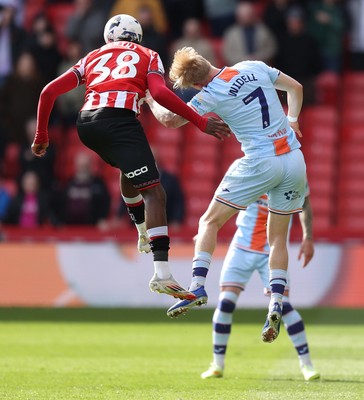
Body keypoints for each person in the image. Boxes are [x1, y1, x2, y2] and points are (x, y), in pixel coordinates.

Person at [31, 14, 230, 301]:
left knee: (131, 171)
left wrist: (41, 135)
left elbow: (48, 91)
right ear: (137, 35)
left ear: (108, 36)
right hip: (119, 122)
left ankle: (141, 231)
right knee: (156, 194)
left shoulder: (92, 56)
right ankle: (162, 273)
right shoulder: (148, 54)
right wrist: (200, 121)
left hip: (86, 125)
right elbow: (160, 92)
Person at [147, 46, 306, 343]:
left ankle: (197, 286)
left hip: (261, 161)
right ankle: (275, 303)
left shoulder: (210, 94)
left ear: (195, 84)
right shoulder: (252, 66)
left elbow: (169, 119)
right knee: (276, 240)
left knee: (209, 222)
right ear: (209, 62)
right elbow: (295, 87)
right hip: (294, 159)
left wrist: (148, 98)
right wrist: (293, 120)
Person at [200, 193, 320, 381]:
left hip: (273, 251)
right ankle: (217, 364)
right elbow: (226, 199)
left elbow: (304, 203)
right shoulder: (251, 167)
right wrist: (207, 230)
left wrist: (308, 237)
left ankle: (307, 365)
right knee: (225, 303)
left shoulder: (294, 172)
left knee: (284, 307)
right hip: (241, 248)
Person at [51, 151, 111, 228]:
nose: (83, 169)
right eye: (80, 166)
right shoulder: (68, 183)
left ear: (90, 166)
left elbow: (106, 202)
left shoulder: (99, 184)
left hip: (92, 227)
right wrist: (59, 222)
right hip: (69, 227)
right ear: (76, 166)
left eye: (85, 166)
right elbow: (58, 203)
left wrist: (102, 219)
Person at [222, 1, 277, 66]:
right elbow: (227, 54)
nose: (246, 20)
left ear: (253, 15)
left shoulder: (263, 30)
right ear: (238, 17)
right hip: (238, 68)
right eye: (243, 17)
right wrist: (244, 60)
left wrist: (258, 57)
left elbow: (272, 49)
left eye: (248, 16)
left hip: (261, 66)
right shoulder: (231, 33)